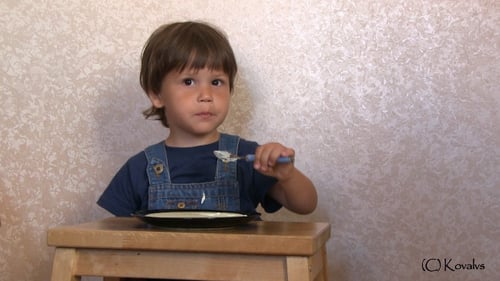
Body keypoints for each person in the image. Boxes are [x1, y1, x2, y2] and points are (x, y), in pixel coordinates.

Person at [97, 21, 317, 223]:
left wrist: (287, 176)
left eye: (216, 81)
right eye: (189, 81)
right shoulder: (140, 168)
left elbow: (306, 205)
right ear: (157, 95)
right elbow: (116, 236)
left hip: (238, 267)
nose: (206, 94)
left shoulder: (249, 157)